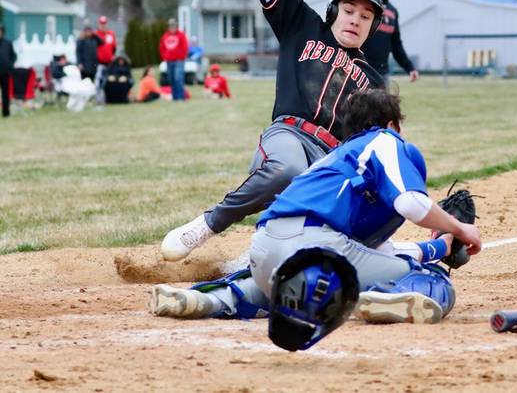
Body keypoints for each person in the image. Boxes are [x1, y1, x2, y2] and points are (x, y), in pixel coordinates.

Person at [159, 0, 385, 262]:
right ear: (334, 11)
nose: (356, 19)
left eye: (366, 16)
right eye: (349, 10)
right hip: (289, 137)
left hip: (331, 159)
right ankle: (209, 223)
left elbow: (376, 150)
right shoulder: (302, 25)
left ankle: (254, 261)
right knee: (287, 172)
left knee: (353, 224)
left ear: (373, 26)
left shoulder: (373, 81)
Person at [149, 89, 482, 351]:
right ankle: (384, 297)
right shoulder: (384, 141)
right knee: (434, 279)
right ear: (393, 125)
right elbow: (412, 203)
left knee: (293, 289)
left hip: (267, 248)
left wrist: (439, 245)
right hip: (319, 244)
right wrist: (459, 228)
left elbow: (380, 254)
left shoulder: (336, 160)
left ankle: (207, 299)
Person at [361, 0, 419, 84]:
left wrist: (409, 68)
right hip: (360, 69)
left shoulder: (393, 12)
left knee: (383, 103)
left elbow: (396, 44)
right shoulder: (364, 6)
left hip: (382, 74)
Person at [159, 18, 189, 101]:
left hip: (179, 60)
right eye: (171, 26)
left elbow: (185, 47)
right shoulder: (165, 36)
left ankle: (180, 97)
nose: (172, 27)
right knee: (171, 78)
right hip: (169, 61)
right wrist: (165, 57)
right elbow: (162, 48)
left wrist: (182, 57)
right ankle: (175, 97)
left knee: (178, 78)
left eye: (174, 25)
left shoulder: (181, 35)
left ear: (176, 26)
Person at [94, 16, 117, 104]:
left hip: (109, 62)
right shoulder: (96, 35)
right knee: (99, 81)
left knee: (108, 81)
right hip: (99, 63)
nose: (103, 26)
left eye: (104, 24)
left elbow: (114, 47)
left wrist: (112, 56)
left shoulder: (111, 34)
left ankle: (108, 99)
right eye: (101, 24)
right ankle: (98, 99)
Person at [0, 25, 16, 118]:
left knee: (5, 93)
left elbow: (14, 56)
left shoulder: (8, 43)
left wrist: (10, 65)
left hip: (5, 72)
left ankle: (6, 113)